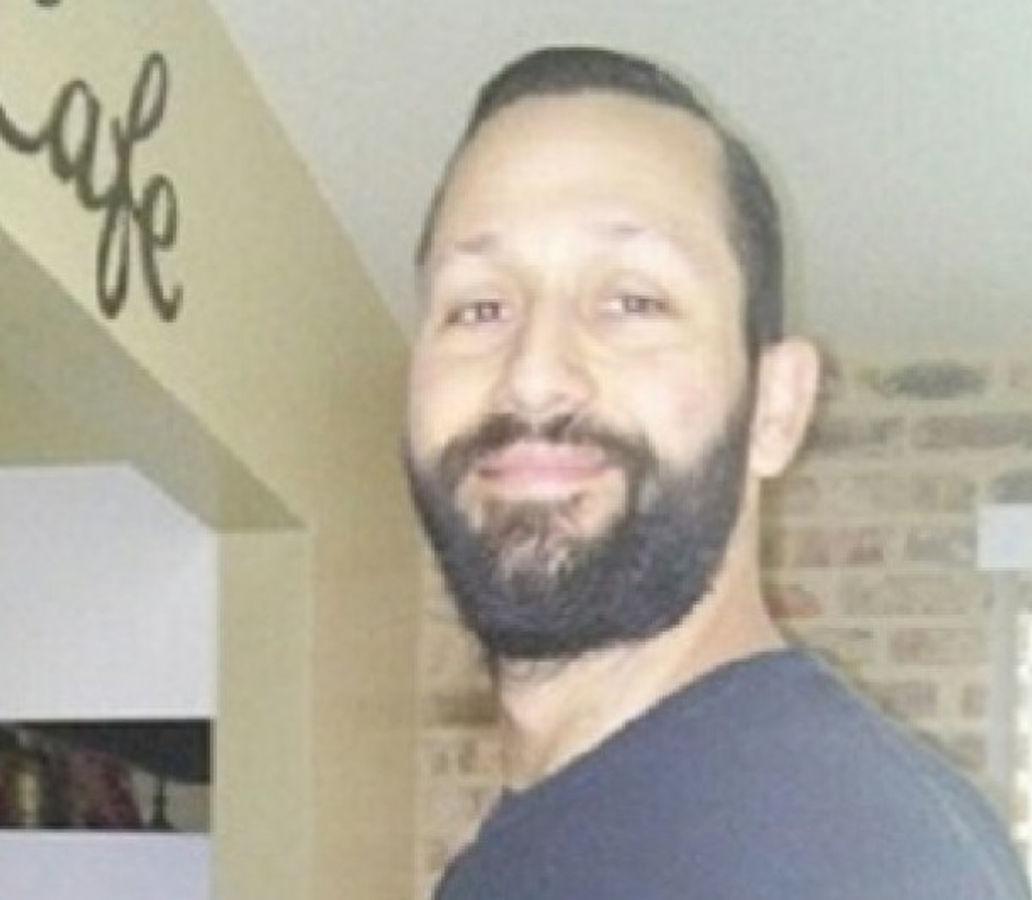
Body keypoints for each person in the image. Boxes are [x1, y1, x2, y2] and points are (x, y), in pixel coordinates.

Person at [402, 46, 1031, 899]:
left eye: (633, 301)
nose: (534, 374)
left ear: (775, 407)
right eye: (478, 307)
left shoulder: (859, 861)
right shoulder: (521, 855)